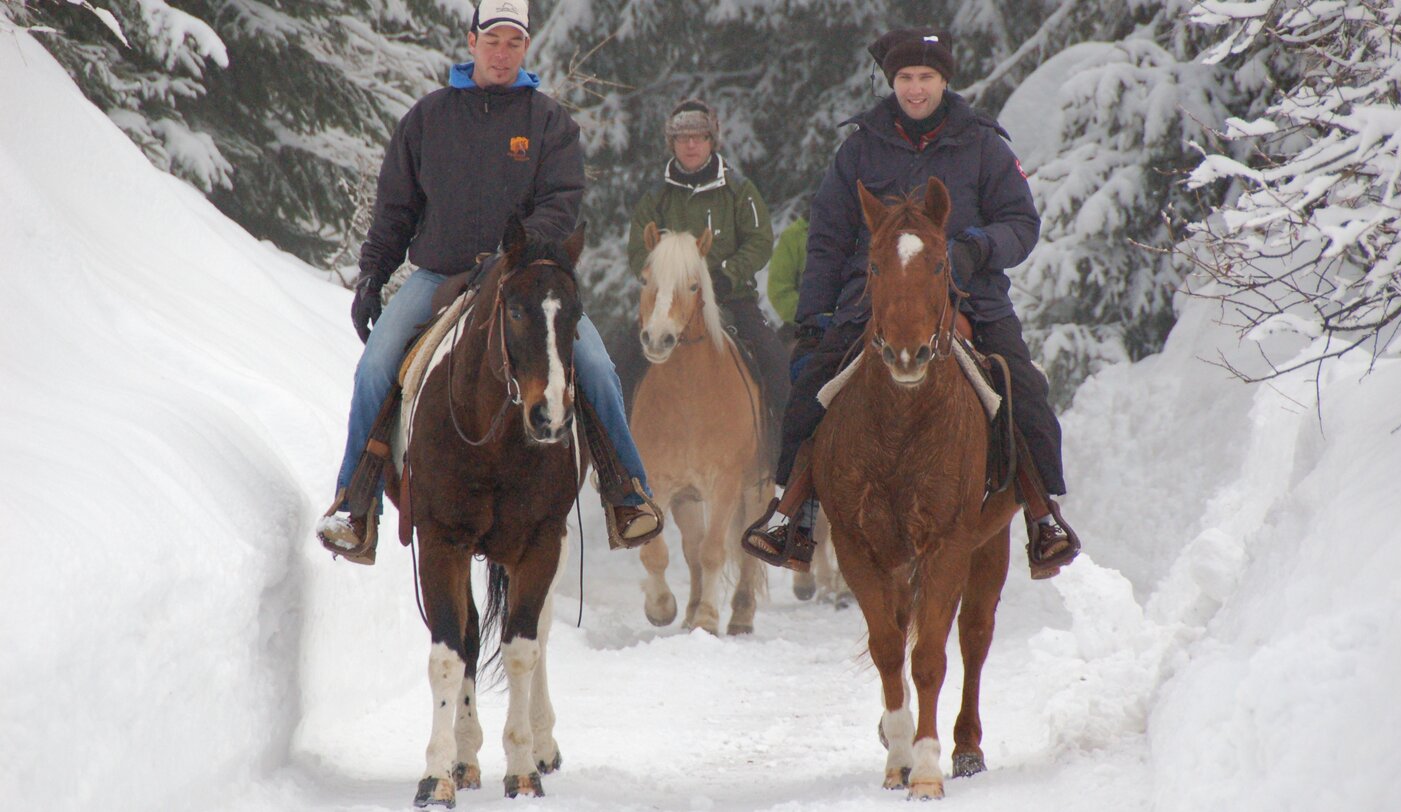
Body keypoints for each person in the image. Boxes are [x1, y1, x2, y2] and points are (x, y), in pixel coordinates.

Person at [316, 0, 659, 565]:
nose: (502, 54)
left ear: (527, 47)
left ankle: (627, 493)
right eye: (493, 41)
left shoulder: (549, 122)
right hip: (438, 275)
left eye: (514, 43)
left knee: (596, 367)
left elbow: (562, 202)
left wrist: (510, 256)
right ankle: (356, 507)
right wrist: (373, 274)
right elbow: (396, 208)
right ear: (471, 42)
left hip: (523, 279)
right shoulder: (427, 118)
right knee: (376, 366)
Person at [742, 27, 1081, 579]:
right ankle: (792, 512)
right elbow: (828, 233)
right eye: (905, 77)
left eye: (926, 77)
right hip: (873, 297)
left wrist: (976, 247)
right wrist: (815, 316)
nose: (915, 88)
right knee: (811, 385)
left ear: (944, 81)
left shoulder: (984, 145)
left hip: (970, 295)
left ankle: (1043, 516)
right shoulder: (860, 147)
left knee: (1023, 388)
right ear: (891, 81)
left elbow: (1021, 222)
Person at [621, 99, 790, 438]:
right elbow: (639, 249)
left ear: (712, 141)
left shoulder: (739, 191)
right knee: (620, 361)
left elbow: (760, 241)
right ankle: (617, 450)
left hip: (732, 299)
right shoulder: (656, 197)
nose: (691, 145)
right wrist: (663, 277)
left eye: (699, 137)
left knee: (773, 359)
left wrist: (727, 276)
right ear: (672, 143)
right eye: (682, 138)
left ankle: (782, 447)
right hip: (668, 303)